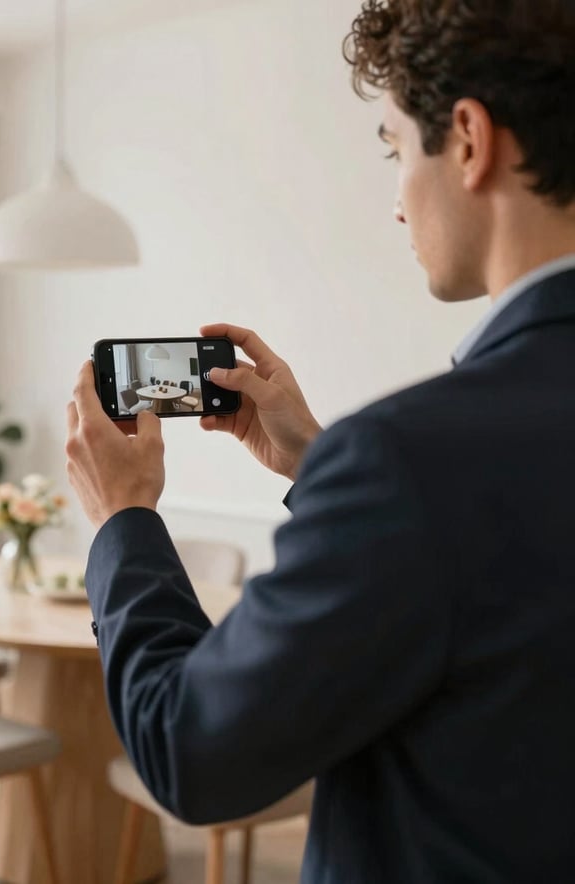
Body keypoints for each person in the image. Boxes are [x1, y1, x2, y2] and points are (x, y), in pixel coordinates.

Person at [65, 1, 575, 881]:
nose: (396, 204)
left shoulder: (408, 462)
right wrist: (318, 462)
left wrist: (123, 520)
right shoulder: (408, 467)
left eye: (392, 149)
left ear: (466, 139)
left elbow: (190, 751)